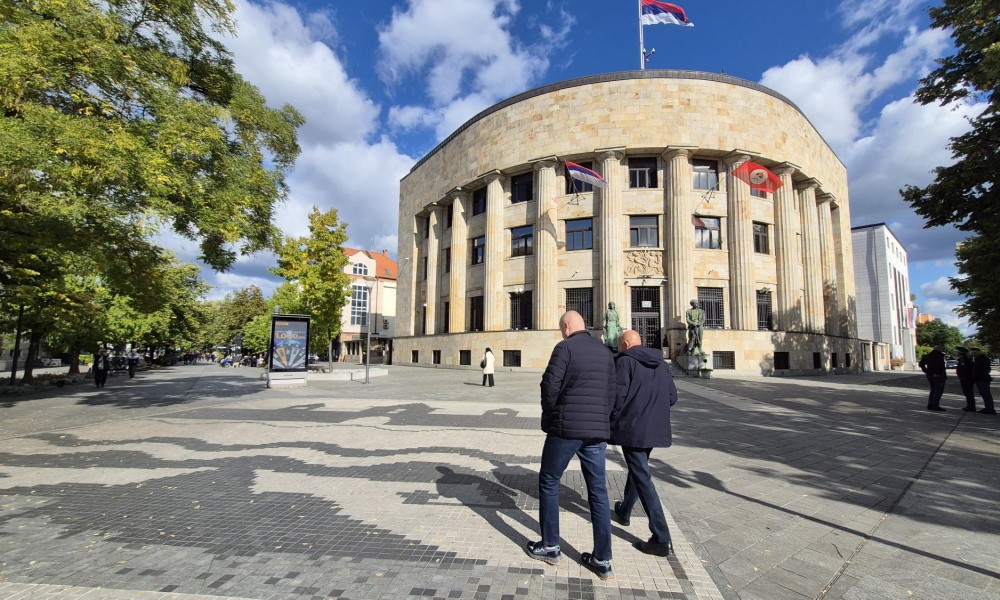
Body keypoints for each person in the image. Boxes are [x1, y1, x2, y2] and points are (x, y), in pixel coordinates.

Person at [526, 311, 616, 580]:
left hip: (566, 428)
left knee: (549, 480)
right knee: (598, 491)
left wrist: (552, 416)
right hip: (596, 432)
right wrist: (602, 419)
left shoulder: (564, 348)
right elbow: (613, 393)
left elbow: (549, 386)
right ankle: (603, 559)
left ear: (566, 327)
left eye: (561, 328)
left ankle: (551, 545)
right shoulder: (605, 352)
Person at [610, 330, 677, 557]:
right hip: (653, 429)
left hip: (632, 429)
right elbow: (672, 397)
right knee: (638, 471)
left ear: (626, 344)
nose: (619, 349)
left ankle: (661, 537)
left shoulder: (625, 362)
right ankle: (624, 511)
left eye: (620, 345)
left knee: (643, 478)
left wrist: (610, 422)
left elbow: (617, 398)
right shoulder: (660, 363)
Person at [918, 345, 947, 411]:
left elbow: (921, 364)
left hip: (930, 375)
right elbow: (939, 365)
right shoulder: (939, 356)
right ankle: (935, 405)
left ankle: (930, 405)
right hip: (938, 375)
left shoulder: (928, 355)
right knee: (938, 391)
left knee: (933, 390)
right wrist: (937, 373)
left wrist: (927, 371)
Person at [971, 348, 997, 414]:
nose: (974, 354)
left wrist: (978, 374)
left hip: (983, 379)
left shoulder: (984, 359)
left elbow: (986, 370)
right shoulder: (977, 359)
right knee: (983, 394)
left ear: (979, 352)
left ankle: (990, 409)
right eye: (973, 353)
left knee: (986, 394)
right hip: (979, 379)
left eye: (975, 352)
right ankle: (988, 407)